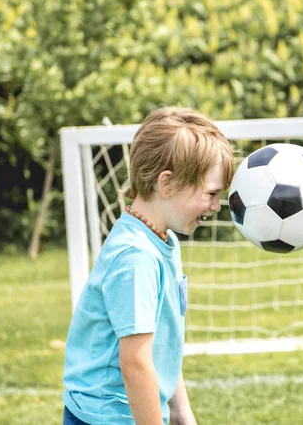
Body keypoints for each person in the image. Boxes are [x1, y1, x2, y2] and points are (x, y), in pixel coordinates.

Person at [62, 107, 234, 425]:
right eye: (211, 193)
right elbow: (136, 364)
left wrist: (181, 412)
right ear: (166, 184)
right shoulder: (136, 257)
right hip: (108, 416)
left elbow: (162, 344)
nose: (215, 206)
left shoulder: (162, 240)